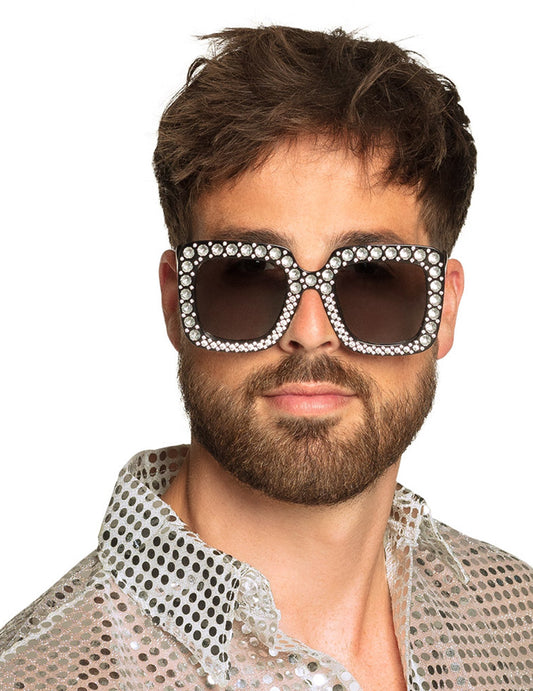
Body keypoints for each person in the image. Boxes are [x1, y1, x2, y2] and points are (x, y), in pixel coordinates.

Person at [1, 25, 532, 691]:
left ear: (444, 310)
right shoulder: (39, 678)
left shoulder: (518, 624)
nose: (310, 332)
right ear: (176, 303)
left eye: (372, 276)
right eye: (247, 275)